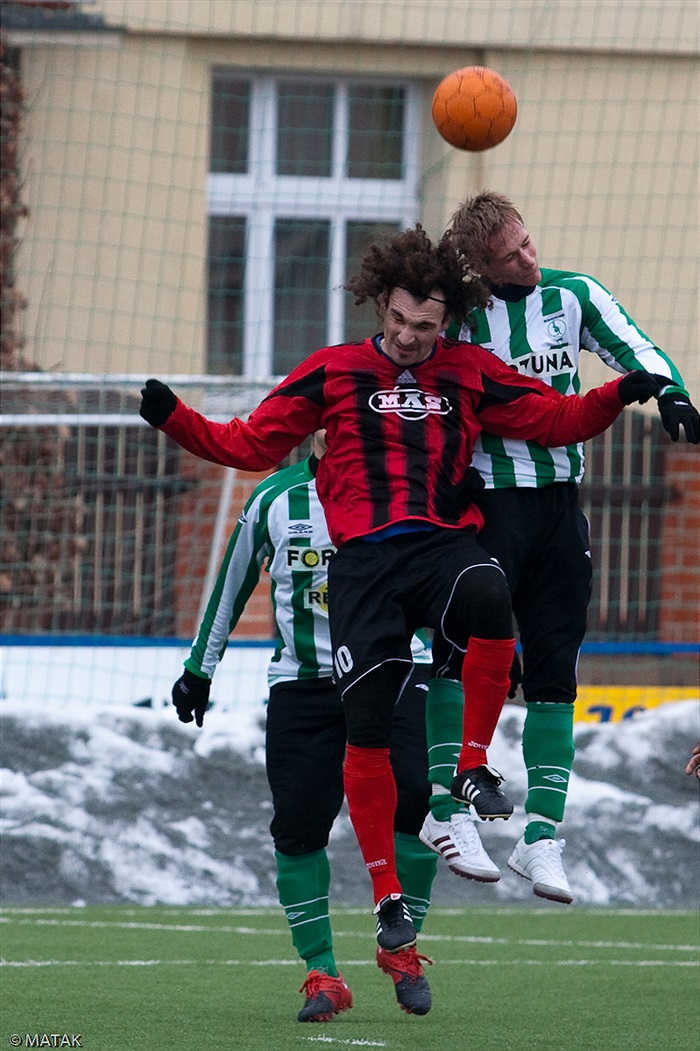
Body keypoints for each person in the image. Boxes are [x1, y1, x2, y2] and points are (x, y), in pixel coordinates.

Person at [139, 223, 668, 955]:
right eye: (398, 321)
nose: (410, 337)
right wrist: (174, 417)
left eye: (425, 326)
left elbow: (551, 418)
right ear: (378, 306)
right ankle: (387, 897)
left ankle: (473, 764)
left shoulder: (468, 369)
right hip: (364, 567)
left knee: (490, 596)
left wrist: (620, 393)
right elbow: (250, 443)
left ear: (446, 320)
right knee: (368, 733)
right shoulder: (332, 371)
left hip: (440, 547)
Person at [419, 191, 699, 905]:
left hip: (559, 510)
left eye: (528, 241)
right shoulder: (461, 322)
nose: (528, 257)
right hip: (486, 504)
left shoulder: (573, 295)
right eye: (510, 254)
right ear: (481, 266)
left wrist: (670, 392)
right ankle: (446, 810)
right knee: (460, 655)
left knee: (554, 669)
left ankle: (542, 837)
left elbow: (632, 344)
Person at [171, 431, 438, 1020]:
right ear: (315, 427)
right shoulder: (273, 499)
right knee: (297, 825)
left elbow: (444, 578)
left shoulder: (409, 493)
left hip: (394, 672)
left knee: (418, 806)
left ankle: (403, 951)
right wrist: (199, 668)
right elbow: (231, 584)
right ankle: (322, 972)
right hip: (304, 685)